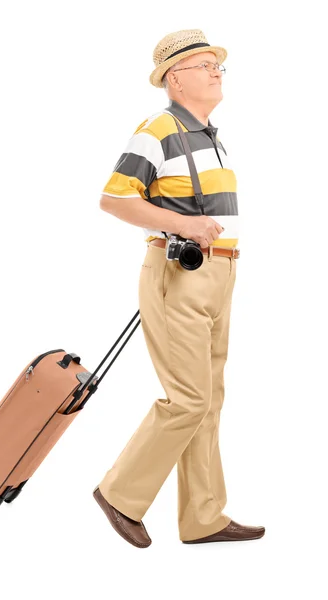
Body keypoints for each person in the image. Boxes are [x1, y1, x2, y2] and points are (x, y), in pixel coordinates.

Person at [93, 29, 265, 548]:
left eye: (218, 65)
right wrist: (186, 226)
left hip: (220, 274)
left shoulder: (210, 133)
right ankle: (120, 494)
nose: (216, 72)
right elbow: (114, 198)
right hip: (180, 277)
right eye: (205, 64)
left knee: (209, 400)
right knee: (190, 399)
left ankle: (204, 517)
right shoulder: (158, 129)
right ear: (175, 77)